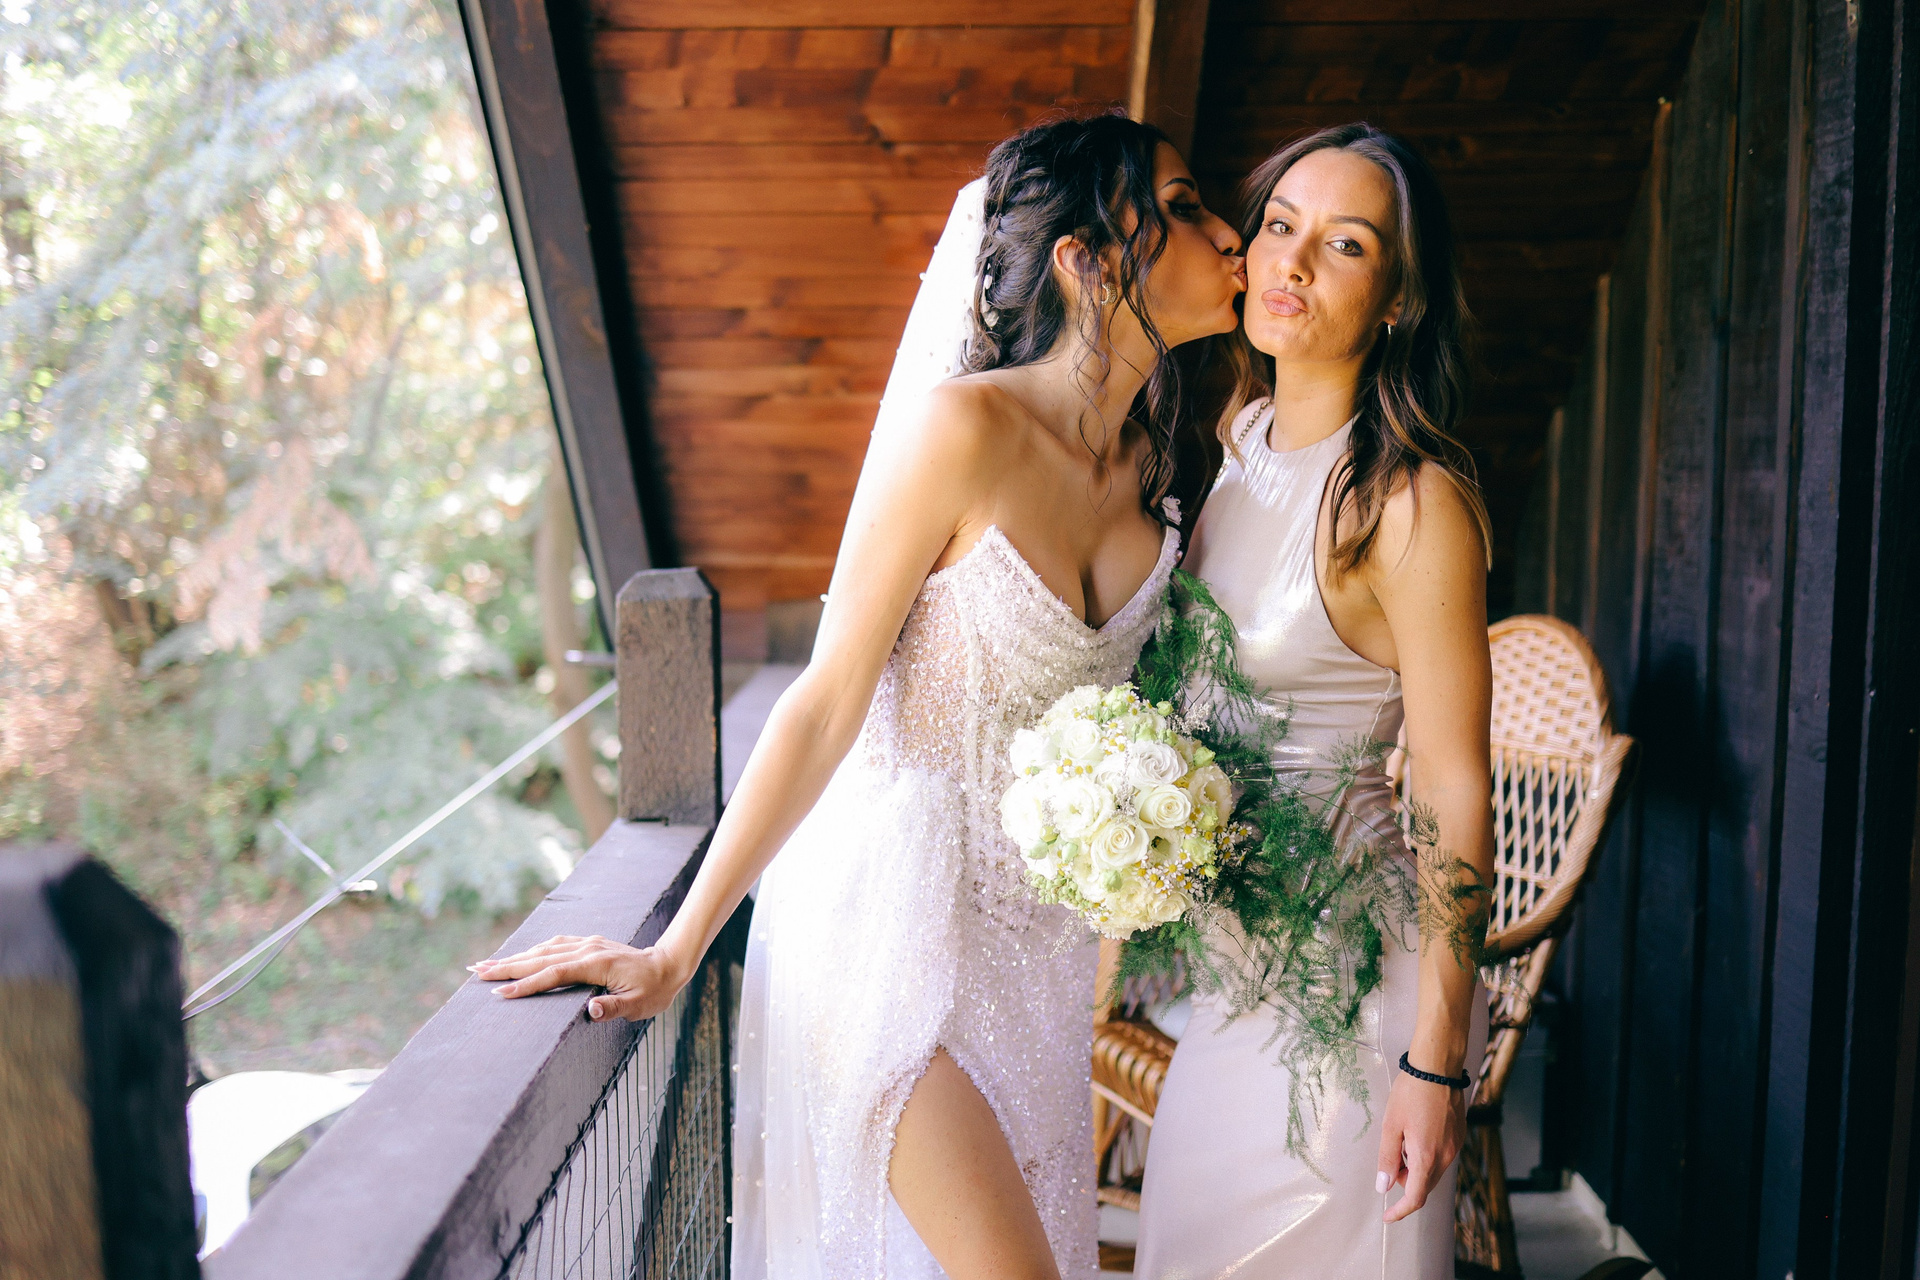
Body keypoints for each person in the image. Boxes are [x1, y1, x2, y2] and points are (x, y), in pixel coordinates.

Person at [474, 113, 1245, 1280]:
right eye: (1184, 208)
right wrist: (677, 948)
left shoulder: (1164, 472)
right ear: (1085, 261)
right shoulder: (965, 429)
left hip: (1036, 962)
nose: (1229, 234)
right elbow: (827, 700)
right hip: (888, 933)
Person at [1133, 122, 1494, 1278]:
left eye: (1345, 243)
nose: (1290, 261)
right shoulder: (1237, 443)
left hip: (1356, 998)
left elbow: (1452, 783)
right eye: (1279, 225)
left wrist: (1436, 1059)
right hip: (1231, 987)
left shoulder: (1408, 503)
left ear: (1398, 298)